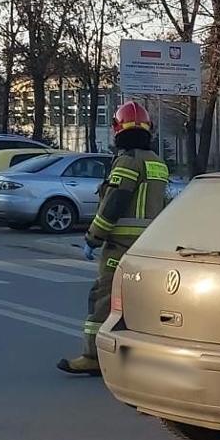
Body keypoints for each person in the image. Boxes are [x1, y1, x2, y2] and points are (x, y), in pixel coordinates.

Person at [58, 102, 169, 376]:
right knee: (143, 301)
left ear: (118, 130)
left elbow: (114, 202)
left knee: (104, 298)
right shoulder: (158, 163)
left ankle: (93, 356)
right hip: (148, 247)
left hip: (120, 246)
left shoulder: (127, 161)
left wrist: (93, 238)